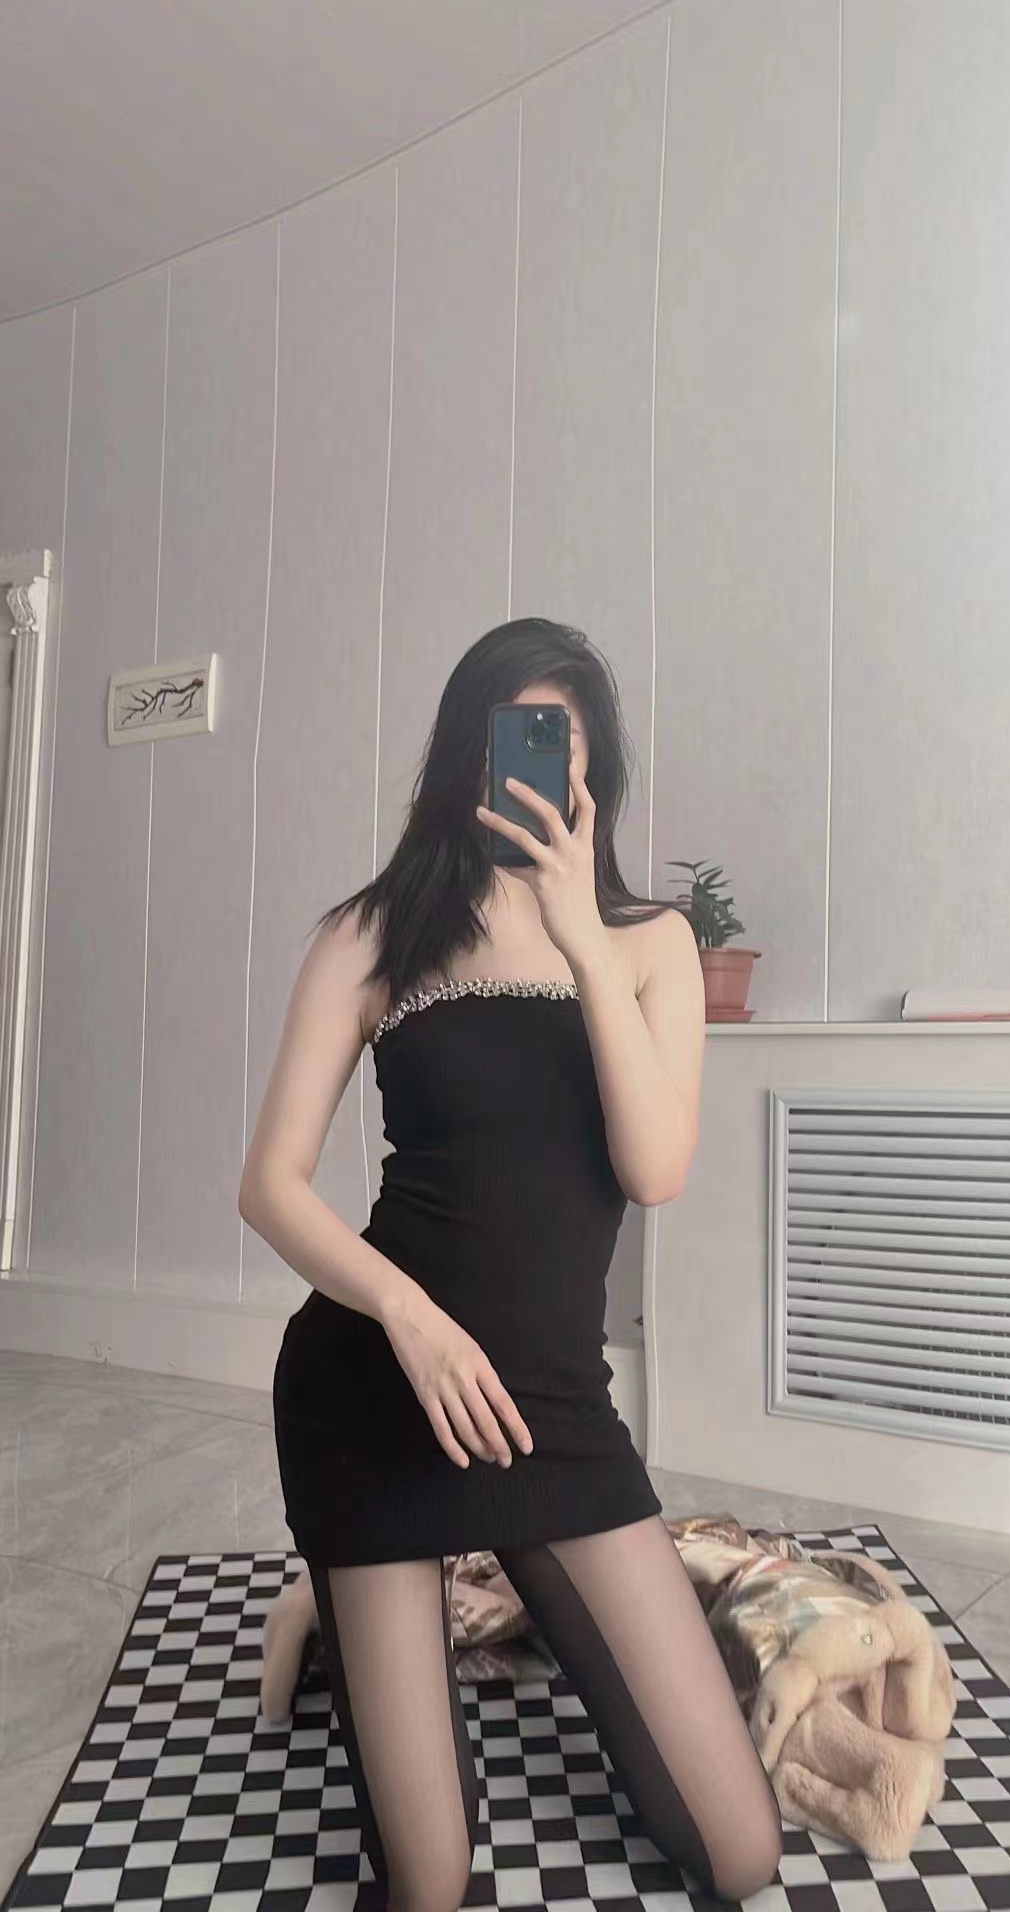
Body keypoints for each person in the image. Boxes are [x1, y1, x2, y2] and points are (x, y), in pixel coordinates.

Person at [239, 619, 783, 1912]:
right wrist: (408, 1316)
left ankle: (390, 1588)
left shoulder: (647, 943)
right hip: (380, 1390)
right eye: (518, 739)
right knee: (431, 1882)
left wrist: (581, 937)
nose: (543, 772)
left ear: (596, 776)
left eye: (567, 751)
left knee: (740, 1852)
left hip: (550, 1409)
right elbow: (269, 1184)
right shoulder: (373, 934)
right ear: (463, 758)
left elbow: (653, 1169)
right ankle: (336, 1594)